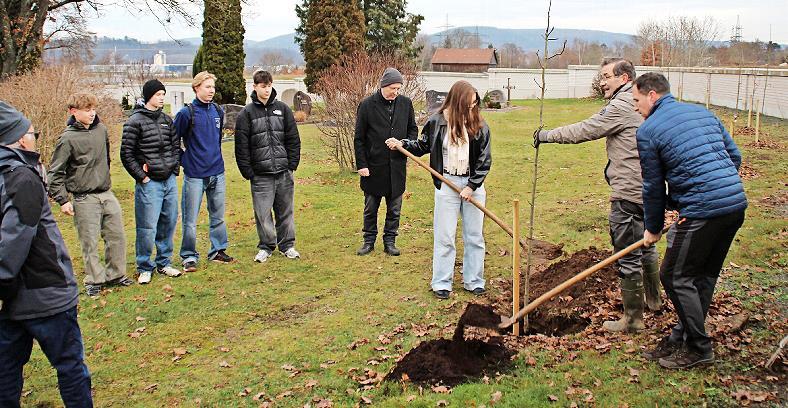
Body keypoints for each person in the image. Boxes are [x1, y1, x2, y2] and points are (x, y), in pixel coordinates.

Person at [533, 58, 661, 332]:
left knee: (626, 250)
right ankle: (654, 301)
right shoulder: (643, 103)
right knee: (647, 243)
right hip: (651, 189)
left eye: (606, 76)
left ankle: (633, 320)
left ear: (624, 78)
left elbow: (586, 129)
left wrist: (546, 136)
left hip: (628, 189)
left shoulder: (621, 104)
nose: (601, 81)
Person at [633, 72, 747, 369]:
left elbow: (653, 186)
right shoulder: (702, 112)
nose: (635, 107)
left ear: (652, 95)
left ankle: (699, 348)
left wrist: (653, 228)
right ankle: (680, 338)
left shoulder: (648, 130)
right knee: (702, 276)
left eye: (637, 100)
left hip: (704, 211)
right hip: (734, 205)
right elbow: (734, 157)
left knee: (674, 275)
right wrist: (710, 189)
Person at [0, 101, 93, 407]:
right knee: (69, 366)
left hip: (17, 297)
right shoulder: (21, 178)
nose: (35, 136)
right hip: (43, 294)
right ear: (18, 139)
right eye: (31, 132)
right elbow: (13, 241)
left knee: (6, 368)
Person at [385, 80, 491, 299]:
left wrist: (471, 187)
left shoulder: (479, 125)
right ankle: (442, 282)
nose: (472, 109)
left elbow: (484, 160)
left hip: (474, 185)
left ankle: (474, 281)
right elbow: (423, 144)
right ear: (458, 101)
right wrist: (402, 144)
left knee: (474, 236)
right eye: (468, 105)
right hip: (447, 184)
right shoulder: (437, 122)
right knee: (445, 236)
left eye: (474, 105)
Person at [47, 92, 132, 296]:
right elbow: (55, 172)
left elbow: (106, 159)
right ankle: (94, 279)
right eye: (87, 110)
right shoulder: (67, 139)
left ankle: (116, 274)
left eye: (94, 109)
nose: (92, 113)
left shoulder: (101, 130)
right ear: (74, 112)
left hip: (106, 192)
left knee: (116, 236)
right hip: (83, 197)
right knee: (89, 241)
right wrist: (62, 200)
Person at [235, 70, 302, 263]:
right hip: (260, 175)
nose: (266, 89)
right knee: (263, 214)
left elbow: (292, 139)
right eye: (263, 86)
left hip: (283, 172)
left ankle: (287, 245)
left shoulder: (283, 109)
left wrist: (292, 164)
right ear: (254, 87)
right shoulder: (246, 114)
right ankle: (266, 246)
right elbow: (242, 146)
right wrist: (248, 171)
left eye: (269, 85)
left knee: (285, 212)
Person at [121, 79, 183, 284]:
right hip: (150, 183)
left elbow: (175, 145)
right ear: (149, 97)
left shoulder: (166, 119)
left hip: (169, 181)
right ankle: (144, 266)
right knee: (147, 226)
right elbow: (127, 154)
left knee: (168, 222)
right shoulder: (135, 121)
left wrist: (174, 168)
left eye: (163, 94)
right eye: (158, 95)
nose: (162, 98)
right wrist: (143, 176)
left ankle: (164, 262)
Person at [354, 67, 418, 256]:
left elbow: (413, 130)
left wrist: (403, 144)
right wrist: (362, 165)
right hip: (373, 168)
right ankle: (368, 241)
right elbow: (359, 138)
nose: (395, 92)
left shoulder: (406, 104)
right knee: (370, 208)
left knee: (394, 209)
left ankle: (390, 241)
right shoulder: (366, 105)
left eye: (398, 89)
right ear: (383, 86)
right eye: (392, 88)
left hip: (397, 167)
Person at [174, 71, 233, 272]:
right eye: (208, 87)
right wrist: (186, 160)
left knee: (218, 215)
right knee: (190, 219)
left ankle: (217, 250)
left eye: (213, 87)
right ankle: (189, 256)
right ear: (196, 87)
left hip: (217, 172)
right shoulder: (186, 114)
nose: (211, 91)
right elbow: (174, 142)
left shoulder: (217, 110)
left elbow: (216, 140)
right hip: (195, 175)